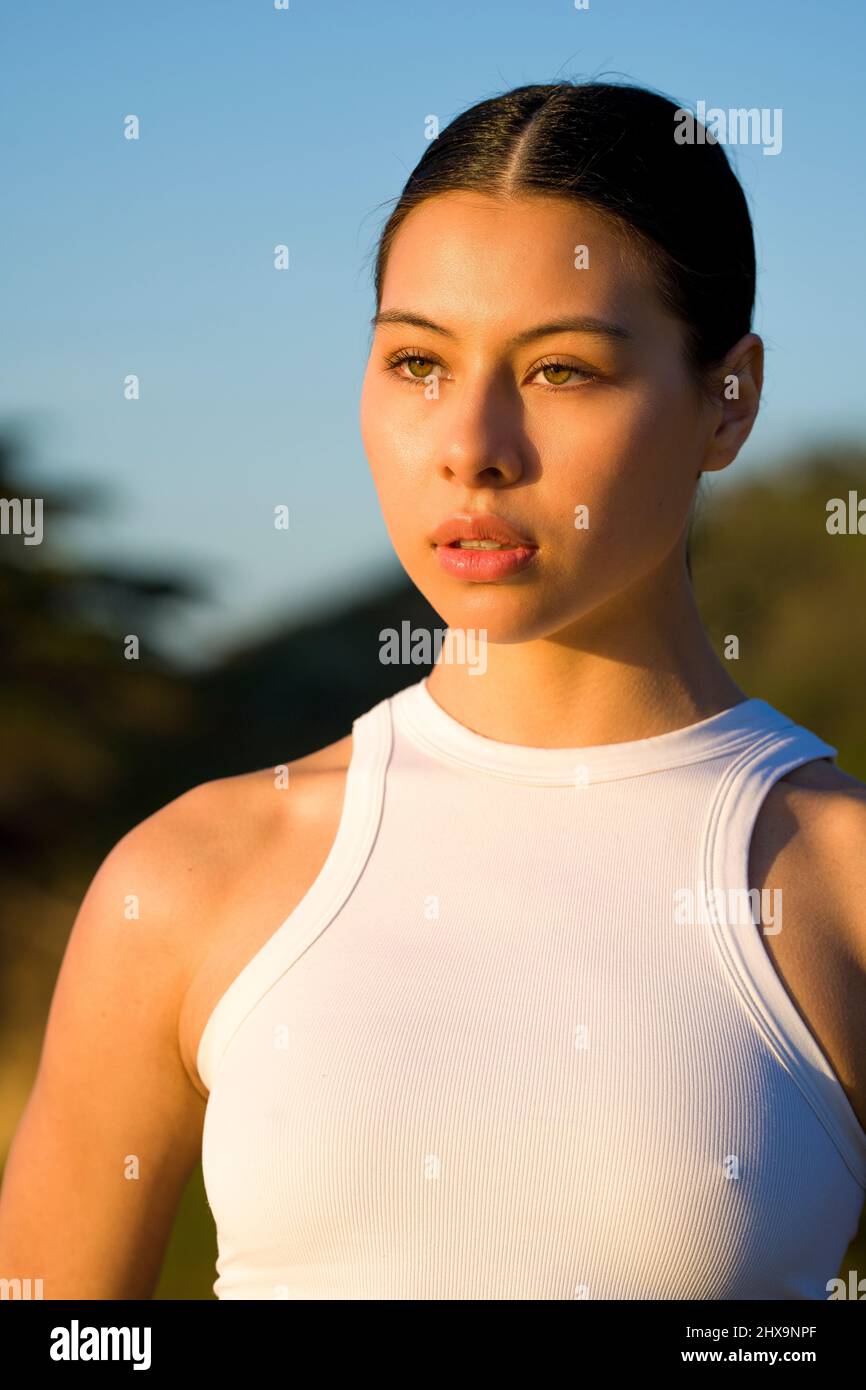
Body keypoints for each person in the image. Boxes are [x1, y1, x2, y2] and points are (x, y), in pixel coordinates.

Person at [1, 80, 864, 1301]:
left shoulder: (837, 887)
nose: (471, 443)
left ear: (728, 399)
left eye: (560, 369)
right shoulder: (191, 877)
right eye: (416, 360)